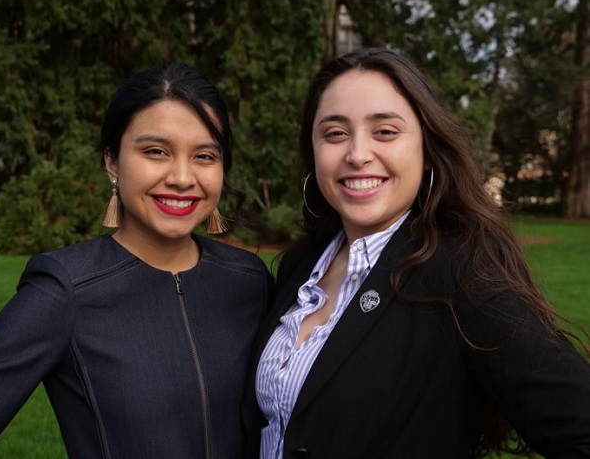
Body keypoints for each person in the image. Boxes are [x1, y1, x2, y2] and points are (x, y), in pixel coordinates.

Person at [241, 48, 590, 458]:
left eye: (385, 131)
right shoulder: (302, 266)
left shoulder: (463, 273)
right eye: (335, 133)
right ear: (313, 152)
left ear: (427, 151)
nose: (357, 154)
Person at [0, 62, 273, 458]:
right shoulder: (66, 290)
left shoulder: (249, 280)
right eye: (155, 151)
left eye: (204, 156)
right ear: (112, 162)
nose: (183, 177)